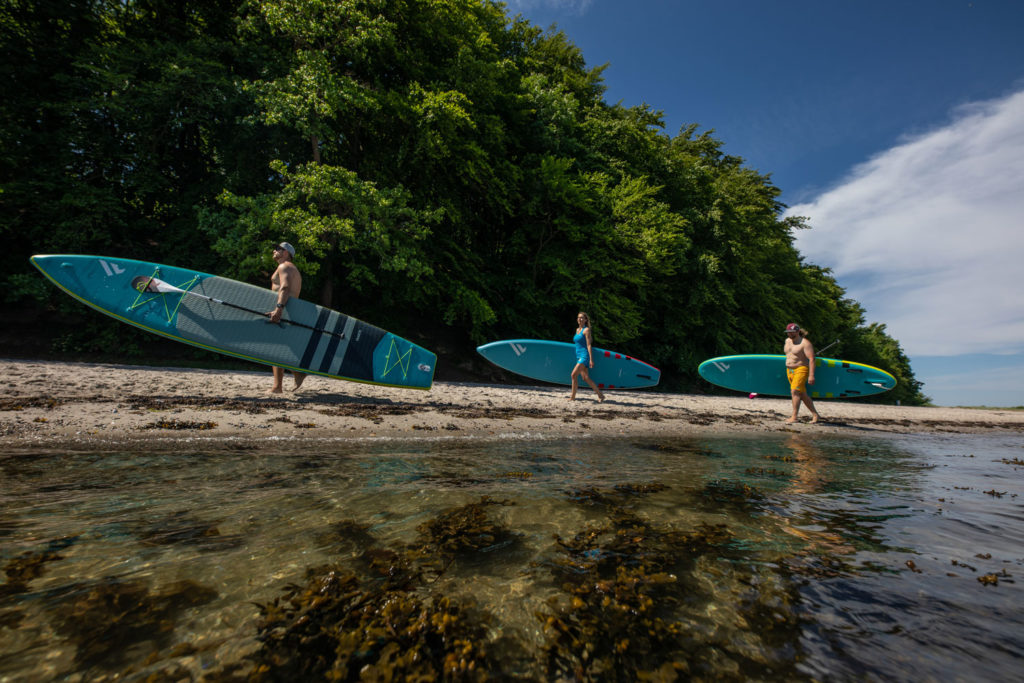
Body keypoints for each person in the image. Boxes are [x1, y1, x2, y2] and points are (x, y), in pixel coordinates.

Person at [266, 242, 306, 393]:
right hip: (287, 310)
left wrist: (279, 309)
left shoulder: (286, 266)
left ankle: (278, 386)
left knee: (276, 348)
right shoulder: (286, 267)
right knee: (277, 347)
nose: (274, 250)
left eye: (278, 249)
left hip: (285, 310)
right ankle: (296, 373)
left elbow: (285, 288)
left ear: (286, 253)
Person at [783, 323, 820, 423]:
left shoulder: (805, 343)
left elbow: (812, 359)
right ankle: (815, 415)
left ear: (798, 331)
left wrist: (811, 375)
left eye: (791, 332)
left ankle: (794, 417)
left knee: (794, 391)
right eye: (788, 332)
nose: (789, 334)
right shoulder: (787, 341)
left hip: (801, 369)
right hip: (789, 370)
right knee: (802, 394)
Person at [569, 312, 605, 402]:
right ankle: (600, 395)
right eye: (578, 317)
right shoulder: (577, 330)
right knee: (585, 378)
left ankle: (572, 397)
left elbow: (589, 345)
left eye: (582, 318)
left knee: (573, 375)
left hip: (584, 356)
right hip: (579, 356)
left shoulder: (586, 330)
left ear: (585, 320)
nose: (580, 319)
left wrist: (591, 359)